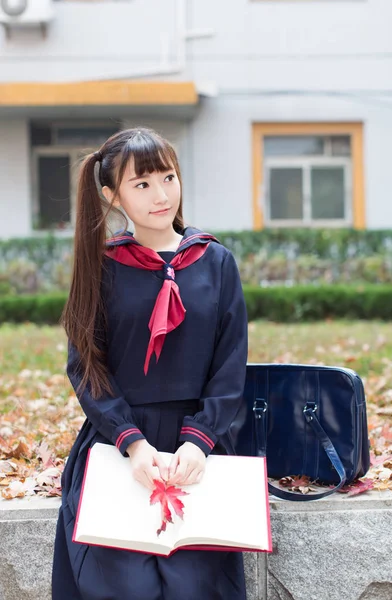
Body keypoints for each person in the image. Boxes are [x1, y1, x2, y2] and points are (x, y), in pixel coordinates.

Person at [51, 126, 248, 600]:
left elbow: (230, 363)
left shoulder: (216, 261)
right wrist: (132, 444)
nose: (160, 194)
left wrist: (200, 442)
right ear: (111, 195)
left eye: (168, 177)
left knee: (197, 587)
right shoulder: (102, 264)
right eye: (141, 184)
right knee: (121, 586)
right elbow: (86, 365)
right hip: (120, 444)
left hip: (197, 449)